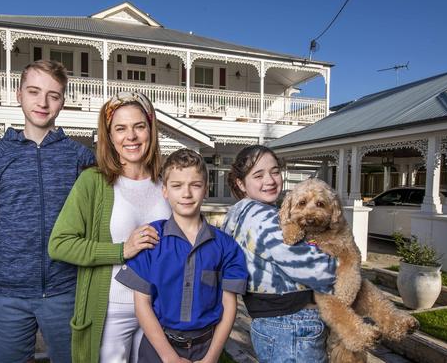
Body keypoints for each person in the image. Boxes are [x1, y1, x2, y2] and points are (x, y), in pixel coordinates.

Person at [0, 60, 95, 363]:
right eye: (34, 91)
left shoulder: (80, 157)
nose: (42, 102)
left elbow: (92, 219)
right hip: (6, 293)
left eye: (53, 95)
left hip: (65, 289)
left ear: (62, 102)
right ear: (19, 94)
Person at [48, 91, 171, 363]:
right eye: (121, 128)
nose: (131, 136)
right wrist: (121, 250)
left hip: (159, 309)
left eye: (139, 126)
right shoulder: (93, 181)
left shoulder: (166, 182)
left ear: (151, 129)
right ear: (109, 135)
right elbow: (60, 244)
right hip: (112, 309)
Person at [116, 148, 248, 363]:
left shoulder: (226, 246)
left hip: (206, 347)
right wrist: (170, 358)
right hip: (158, 347)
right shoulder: (151, 239)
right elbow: (142, 304)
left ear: (206, 188)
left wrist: (212, 358)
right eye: (177, 186)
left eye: (195, 185)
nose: (186, 194)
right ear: (165, 191)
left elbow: (229, 305)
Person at [221, 145, 337, 363]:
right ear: (240, 183)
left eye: (275, 171)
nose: (270, 180)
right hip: (292, 325)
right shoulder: (265, 219)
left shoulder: (237, 212)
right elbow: (320, 270)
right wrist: (338, 260)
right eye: (258, 175)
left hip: (270, 323)